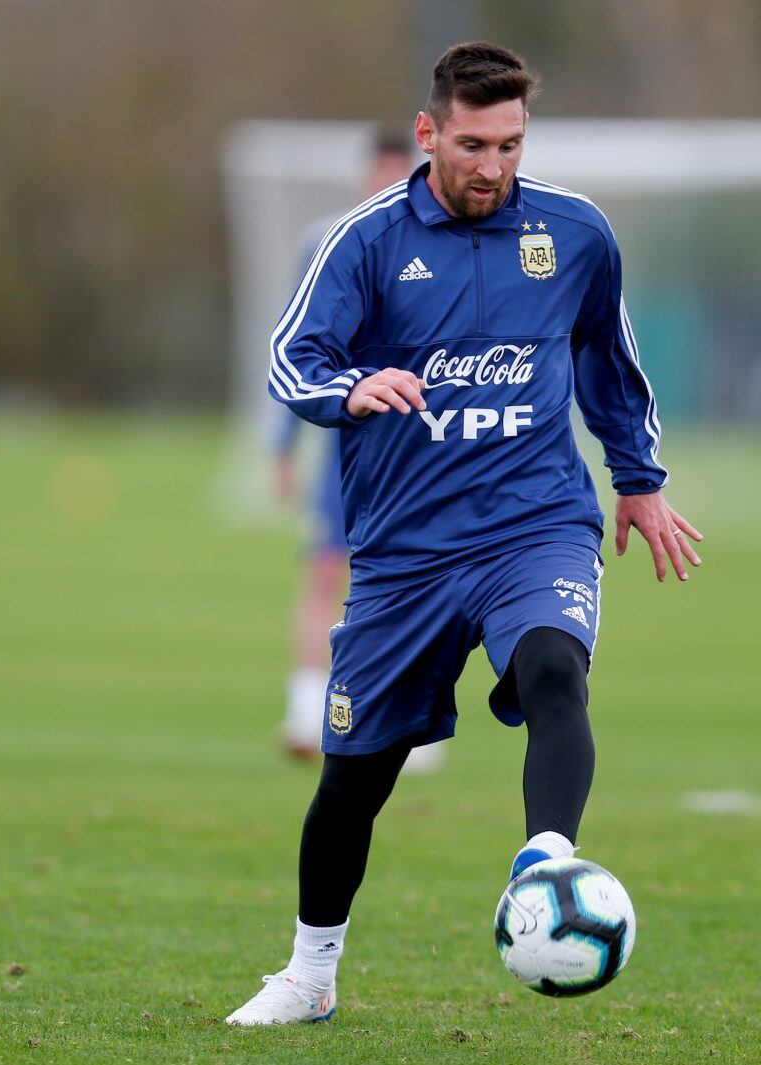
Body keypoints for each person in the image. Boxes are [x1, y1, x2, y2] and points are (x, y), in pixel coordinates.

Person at [227, 41, 702, 1026]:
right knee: (352, 785)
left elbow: (610, 363)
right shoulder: (363, 241)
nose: (494, 166)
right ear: (429, 132)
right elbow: (291, 360)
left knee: (554, 669)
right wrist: (351, 386)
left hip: (536, 526)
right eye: (476, 143)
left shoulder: (575, 234)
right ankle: (311, 974)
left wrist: (640, 483)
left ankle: (547, 864)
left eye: (512, 145)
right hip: (404, 555)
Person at [276, 125, 445, 774]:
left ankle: (421, 727)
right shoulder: (326, 243)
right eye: (377, 171)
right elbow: (298, 349)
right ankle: (303, 707)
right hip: (349, 446)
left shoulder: (444, 242)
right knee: (325, 570)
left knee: (423, 583)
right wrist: (284, 444)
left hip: (425, 450)